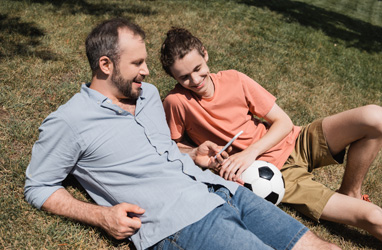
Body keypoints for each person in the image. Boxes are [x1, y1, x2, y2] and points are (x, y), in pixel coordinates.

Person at [23, 18, 339, 250]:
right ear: (105, 65)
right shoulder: (69, 121)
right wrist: (102, 216)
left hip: (224, 189)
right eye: (137, 63)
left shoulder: (145, 95)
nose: (147, 71)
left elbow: (163, 148)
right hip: (180, 221)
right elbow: (37, 186)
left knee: (319, 247)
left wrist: (193, 154)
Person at [161, 27, 382, 241]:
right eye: (184, 77)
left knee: (375, 117)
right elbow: (171, 147)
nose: (196, 80)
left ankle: (350, 191)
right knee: (373, 217)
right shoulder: (176, 102)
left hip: (296, 140)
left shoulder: (234, 79)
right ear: (174, 77)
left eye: (198, 68)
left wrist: (250, 152)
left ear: (205, 53)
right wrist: (194, 152)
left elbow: (284, 122)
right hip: (277, 175)